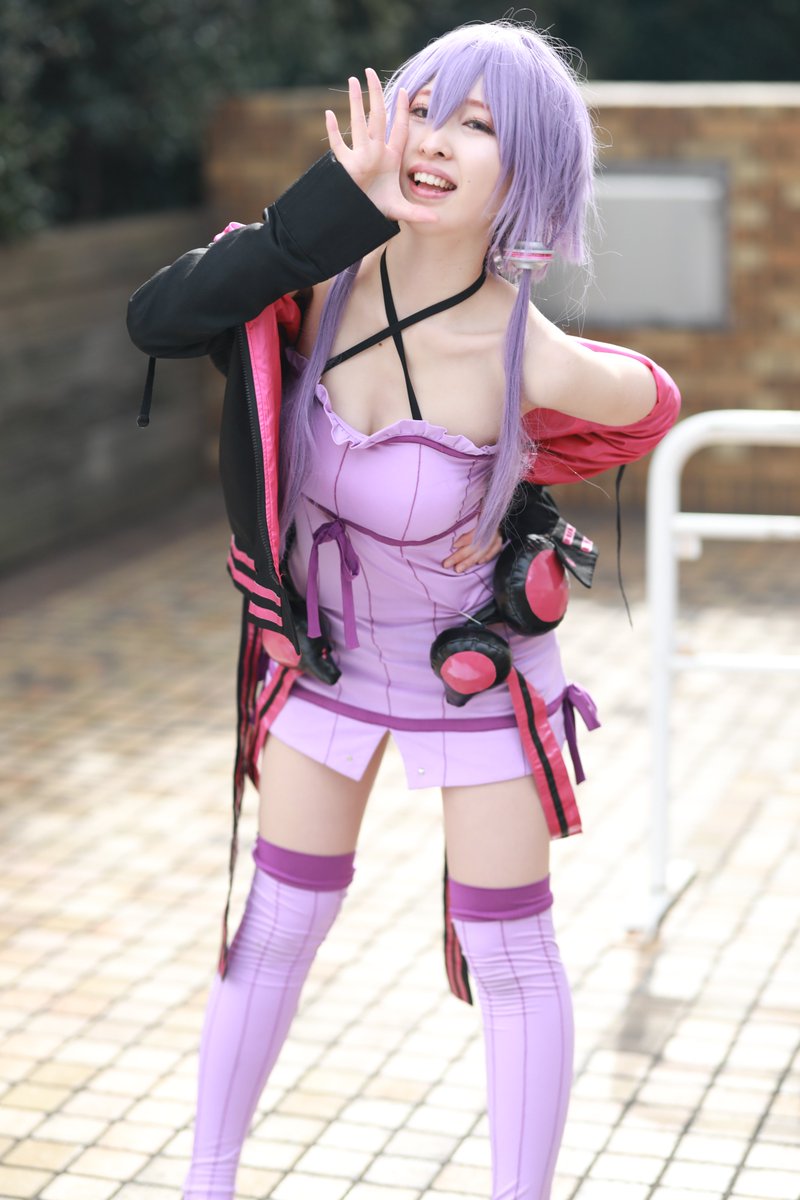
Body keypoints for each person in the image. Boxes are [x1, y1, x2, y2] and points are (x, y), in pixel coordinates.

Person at [127, 20, 680, 1200]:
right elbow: (157, 321)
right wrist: (320, 212)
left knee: (508, 952)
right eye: (421, 109)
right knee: (274, 925)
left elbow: (650, 406)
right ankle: (205, 1185)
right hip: (323, 663)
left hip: (472, 682)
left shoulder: (524, 347)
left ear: (526, 173)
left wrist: (525, 478)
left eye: (475, 127)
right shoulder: (300, 285)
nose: (433, 142)